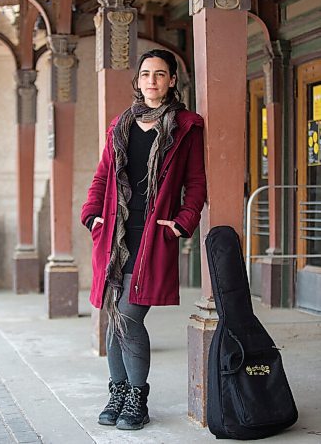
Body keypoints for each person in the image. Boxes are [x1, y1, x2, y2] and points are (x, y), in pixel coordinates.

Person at [81, 49, 207, 431]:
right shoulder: (121, 125)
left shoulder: (186, 126)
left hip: (154, 235)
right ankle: (117, 393)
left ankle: (137, 397)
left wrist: (183, 223)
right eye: (146, 74)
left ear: (172, 81)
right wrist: (92, 213)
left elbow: (196, 183)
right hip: (116, 235)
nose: (152, 81)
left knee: (129, 316)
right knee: (115, 318)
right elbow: (103, 175)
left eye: (160, 74)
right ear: (137, 81)